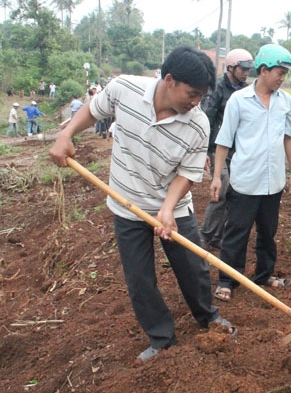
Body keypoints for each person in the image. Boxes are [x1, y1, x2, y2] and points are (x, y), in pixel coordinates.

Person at [49, 45, 237, 363]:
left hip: (174, 208)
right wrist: (66, 134)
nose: (195, 103)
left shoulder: (198, 124)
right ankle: (162, 338)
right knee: (139, 280)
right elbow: (94, 110)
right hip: (127, 203)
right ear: (169, 80)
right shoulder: (124, 88)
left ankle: (208, 317)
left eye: (201, 96)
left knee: (194, 269)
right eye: (191, 94)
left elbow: (188, 174)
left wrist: (167, 207)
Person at [211, 44, 291, 302]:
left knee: (268, 231)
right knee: (236, 230)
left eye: (285, 74)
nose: (282, 78)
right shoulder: (239, 100)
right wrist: (217, 176)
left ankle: (264, 274)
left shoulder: (286, 102)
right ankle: (227, 279)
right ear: (263, 70)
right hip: (245, 179)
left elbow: (290, 138)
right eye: (279, 73)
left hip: (274, 182)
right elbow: (224, 140)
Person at [199, 48, 254, 250]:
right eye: (243, 69)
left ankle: (219, 236)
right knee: (220, 191)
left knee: (234, 193)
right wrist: (204, 151)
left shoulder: (247, 91)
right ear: (231, 68)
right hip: (217, 149)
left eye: (248, 69)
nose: (246, 73)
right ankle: (204, 236)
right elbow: (207, 120)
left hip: (238, 151)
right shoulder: (217, 89)